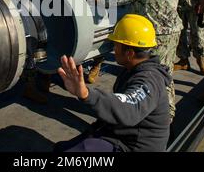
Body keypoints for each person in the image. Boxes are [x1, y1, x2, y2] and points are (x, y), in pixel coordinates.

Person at [55, 14, 171, 152]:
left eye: (116, 45)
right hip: (122, 136)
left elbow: (127, 109)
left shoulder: (149, 80)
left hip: (132, 147)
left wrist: (87, 94)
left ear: (129, 53)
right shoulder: (133, 70)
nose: (113, 49)